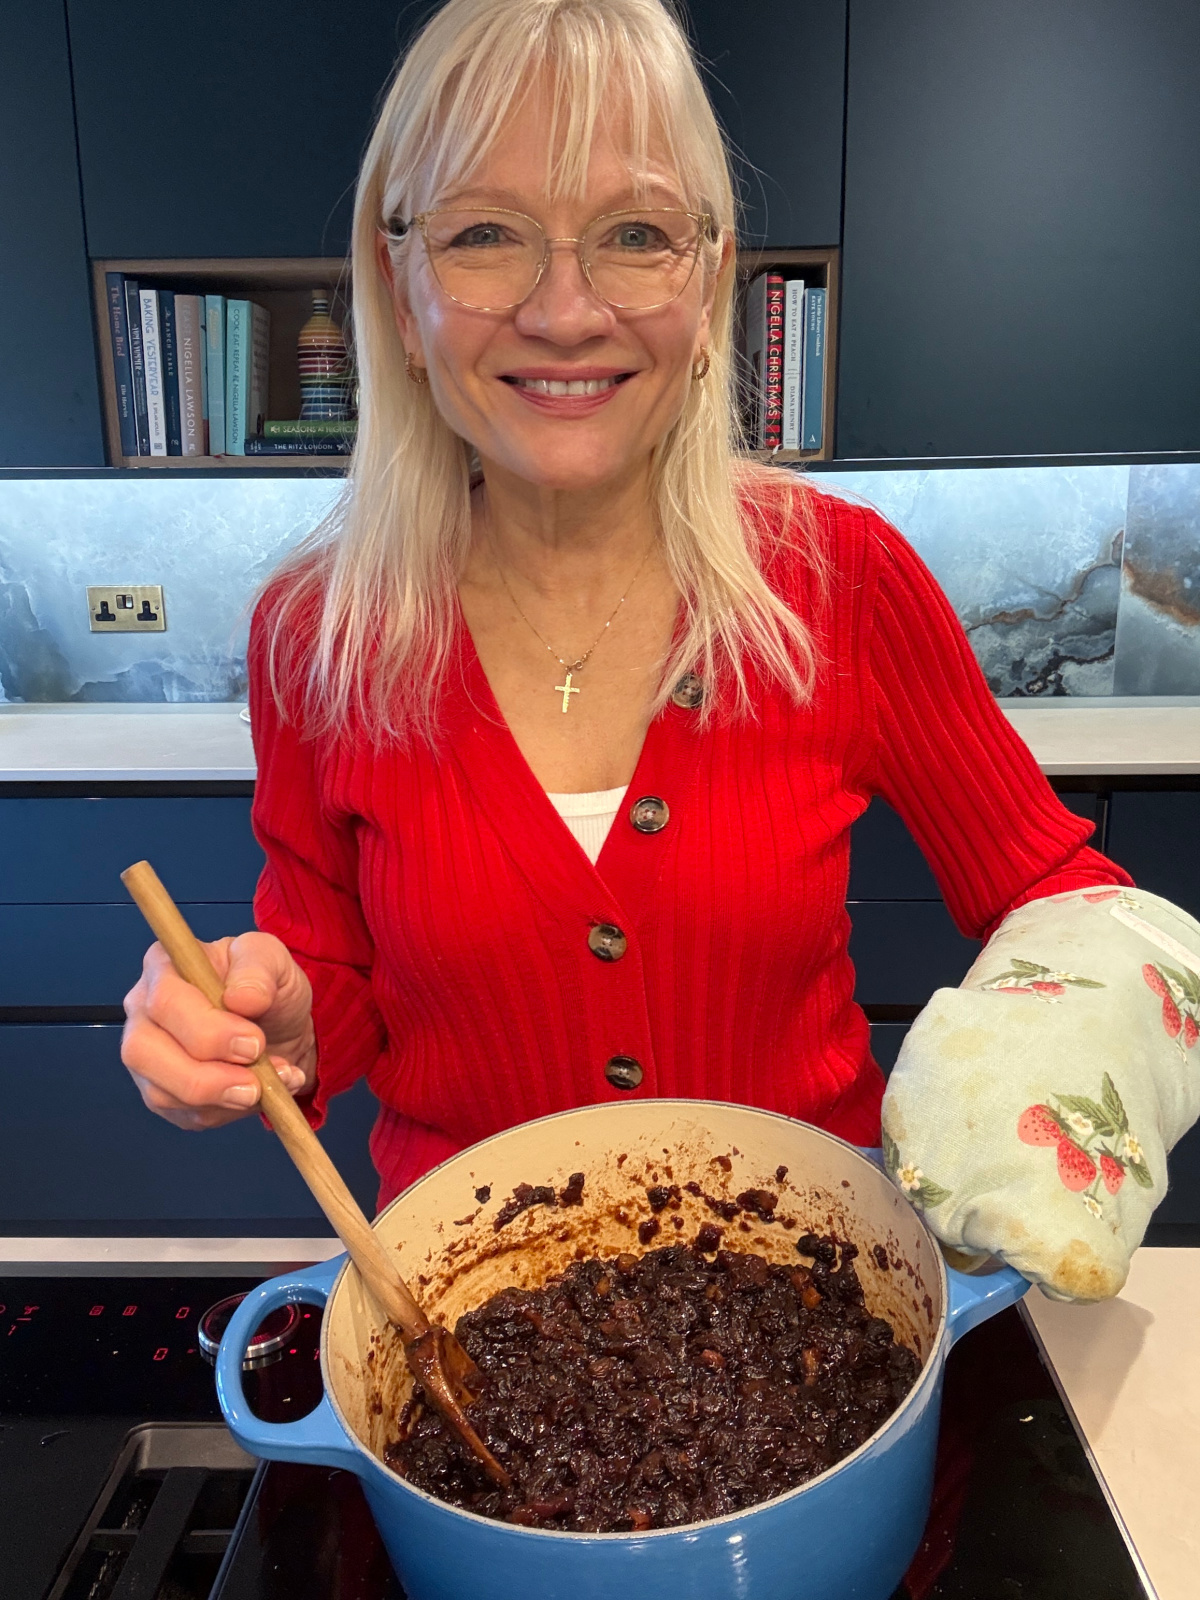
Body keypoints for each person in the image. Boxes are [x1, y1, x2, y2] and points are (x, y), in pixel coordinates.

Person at [121, 0, 1129, 1214]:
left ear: (707, 284)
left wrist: (1024, 1124)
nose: (563, 310)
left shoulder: (840, 582)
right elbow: (328, 972)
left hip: (809, 1306)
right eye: (486, 232)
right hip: (471, 1324)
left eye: (635, 233)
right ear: (400, 287)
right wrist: (270, 1018)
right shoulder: (316, 632)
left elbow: (1063, 907)